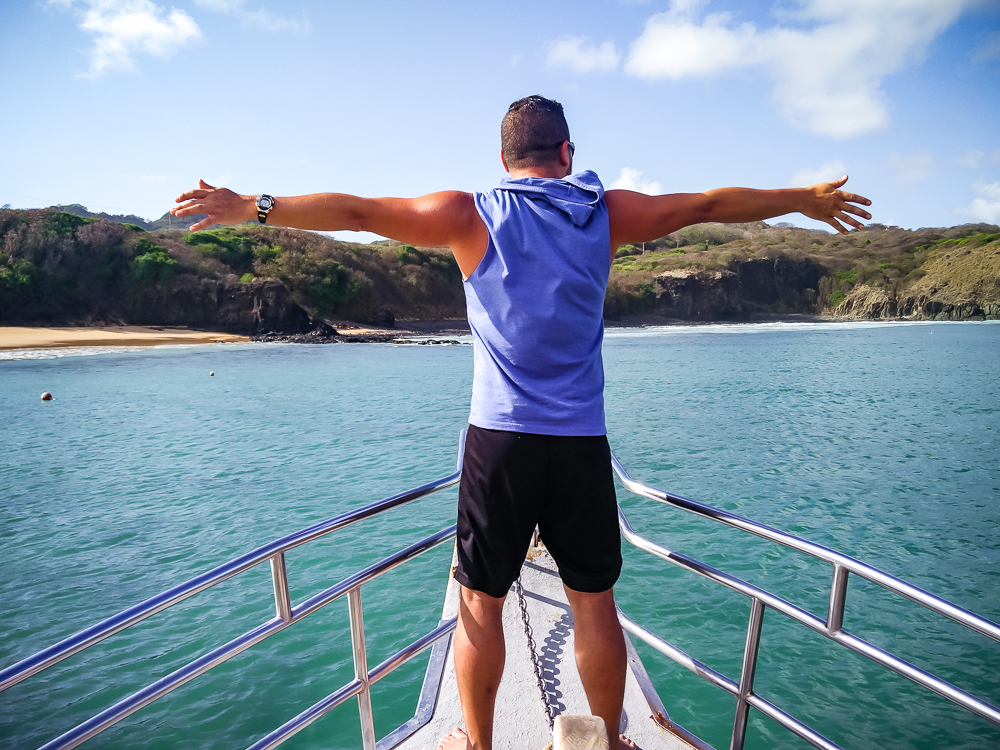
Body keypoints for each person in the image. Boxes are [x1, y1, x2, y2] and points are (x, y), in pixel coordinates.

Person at [172, 95, 871, 750]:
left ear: (504, 159)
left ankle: (476, 743)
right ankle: (606, 740)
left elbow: (357, 212)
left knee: (481, 607)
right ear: (566, 152)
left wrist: (250, 207)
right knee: (594, 607)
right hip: (579, 445)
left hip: (499, 444)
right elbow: (709, 204)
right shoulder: (605, 213)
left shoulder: (467, 213)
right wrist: (802, 200)